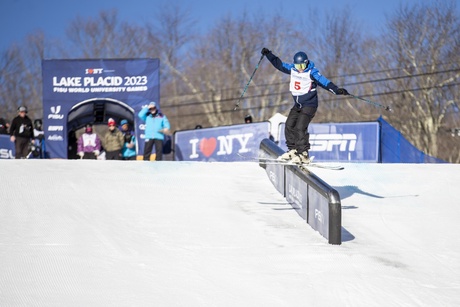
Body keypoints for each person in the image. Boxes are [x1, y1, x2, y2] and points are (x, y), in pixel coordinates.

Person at [261, 47, 349, 164]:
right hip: (298, 105)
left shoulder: (312, 72)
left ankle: (304, 154)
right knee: (289, 125)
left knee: (300, 127)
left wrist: (337, 90)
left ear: (306, 63)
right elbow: (279, 64)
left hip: (309, 105)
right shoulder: (293, 69)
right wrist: (268, 54)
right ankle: (293, 150)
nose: (300, 69)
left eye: (302, 66)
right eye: (298, 67)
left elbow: (325, 82)